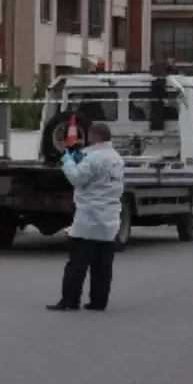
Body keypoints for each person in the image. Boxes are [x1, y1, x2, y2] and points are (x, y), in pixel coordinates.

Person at [47, 121, 125, 312]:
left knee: (77, 263)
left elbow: (77, 178)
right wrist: (80, 157)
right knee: (103, 265)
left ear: (94, 136)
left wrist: (67, 161)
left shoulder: (94, 158)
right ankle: (99, 302)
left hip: (89, 218)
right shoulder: (116, 158)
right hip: (110, 219)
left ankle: (69, 301)